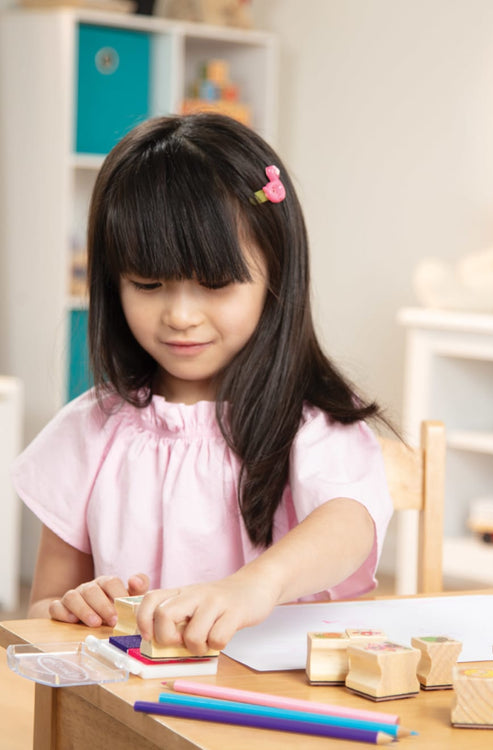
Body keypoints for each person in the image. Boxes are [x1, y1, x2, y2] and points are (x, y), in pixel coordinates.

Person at [12, 113, 393, 655]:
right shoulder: (90, 430)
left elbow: (348, 525)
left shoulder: (309, 420)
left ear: (276, 276)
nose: (181, 315)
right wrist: (73, 610)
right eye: (148, 283)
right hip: (136, 714)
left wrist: (254, 585)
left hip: (277, 708)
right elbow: (41, 612)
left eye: (215, 284)